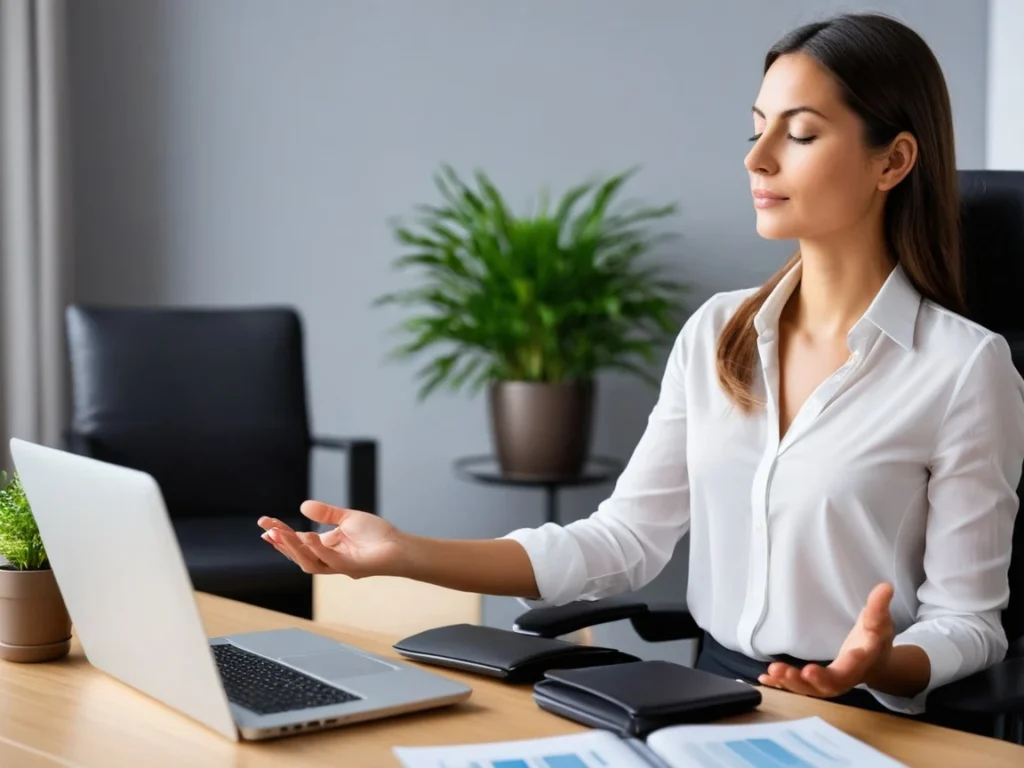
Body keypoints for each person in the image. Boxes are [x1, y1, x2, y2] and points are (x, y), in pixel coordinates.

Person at [257, 12, 1024, 716]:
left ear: (892, 161)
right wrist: (404, 553)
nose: (756, 159)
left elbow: (970, 622)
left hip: (869, 720)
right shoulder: (717, 332)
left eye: (799, 134)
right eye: (757, 128)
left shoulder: (964, 368)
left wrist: (881, 664)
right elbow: (621, 542)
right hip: (713, 702)